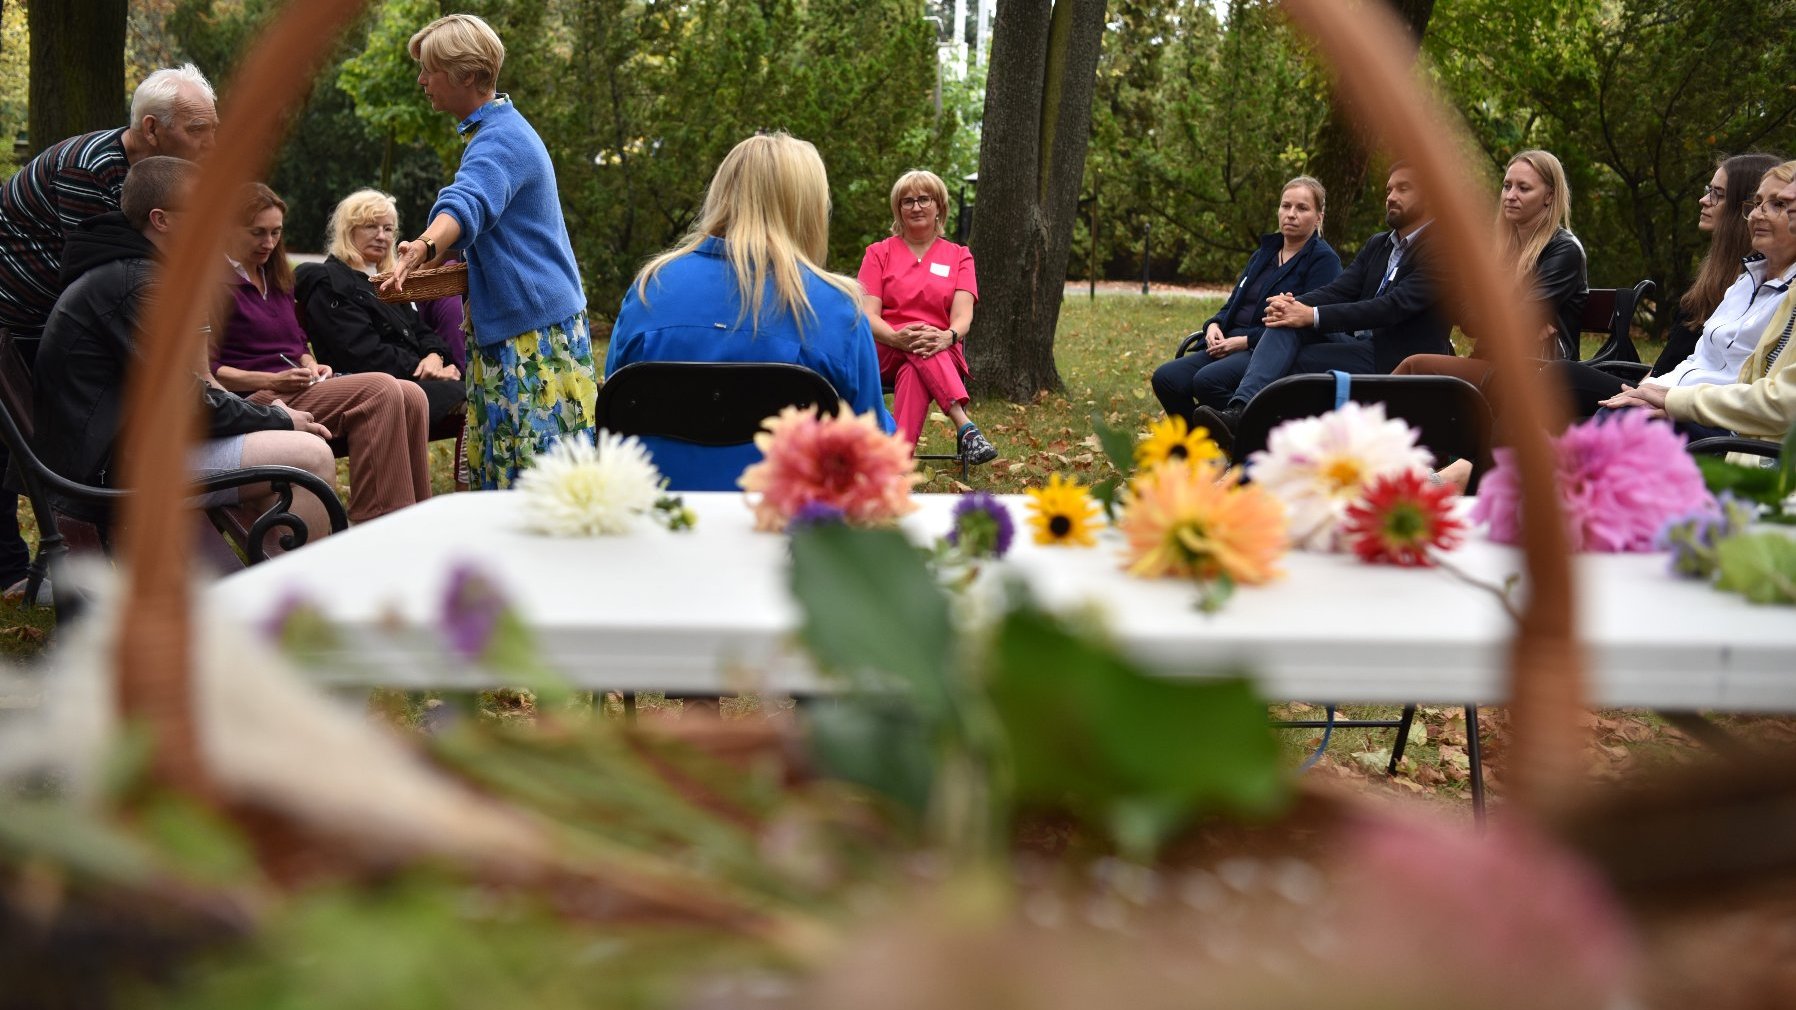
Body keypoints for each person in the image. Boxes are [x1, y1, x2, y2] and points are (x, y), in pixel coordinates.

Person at [30, 156, 337, 544]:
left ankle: (271, 583)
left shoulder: (132, 271)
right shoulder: (140, 285)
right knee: (312, 456)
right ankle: (288, 597)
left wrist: (265, 415)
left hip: (127, 447)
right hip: (114, 469)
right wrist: (275, 419)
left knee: (288, 453)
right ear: (162, 220)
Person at [0, 64, 218, 594]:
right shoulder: (92, 169)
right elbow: (113, 281)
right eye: (198, 131)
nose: (212, 144)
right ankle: (22, 572)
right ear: (150, 129)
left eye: (216, 128)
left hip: (51, 316)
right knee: (19, 448)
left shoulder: (161, 177)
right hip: (12, 319)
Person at [604, 132, 893, 490]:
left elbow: (612, 413)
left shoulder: (650, 290)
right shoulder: (837, 310)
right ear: (806, 208)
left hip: (662, 523)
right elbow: (872, 450)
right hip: (786, 532)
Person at [381, 13, 595, 490]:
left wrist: (423, 245)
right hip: (532, 325)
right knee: (526, 473)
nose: (421, 81)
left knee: (535, 483)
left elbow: (468, 202)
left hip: (533, 339)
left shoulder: (500, 139)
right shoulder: (498, 130)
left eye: (429, 70)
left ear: (469, 76)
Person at [211, 183, 432, 522]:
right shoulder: (213, 284)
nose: (269, 243)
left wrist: (311, 364)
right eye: (258, 233)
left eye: (276, 233)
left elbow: (296, 342)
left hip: (298, 388)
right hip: (252, 400)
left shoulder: (275, 276)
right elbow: (210, 372)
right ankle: (378, 522)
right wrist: (274, 379)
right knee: (381, 389)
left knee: (412, 394)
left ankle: (415, 519)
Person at [1193, 162, 1450, 452]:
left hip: (1399, 357)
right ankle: (1239, 414)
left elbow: (1391, 307)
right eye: (1389, 189)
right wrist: (1293, 304)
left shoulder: (1444, 249)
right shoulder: (1379, 244)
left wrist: (1311, 315)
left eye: (1403, 189)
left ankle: (1258, 439)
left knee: (1295, 365)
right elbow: (1341, 289)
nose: (1391, 196)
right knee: (1288, 323)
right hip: (1362, 346)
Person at [1553, 159, 1796, 422]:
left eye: (1780, 205)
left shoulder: (1783, 295)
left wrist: (1663, 397)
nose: (1759, 214)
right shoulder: (1743, 283)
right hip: (1671, 395)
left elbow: (1765, 396)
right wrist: (1646, 391)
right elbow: (1693, 360)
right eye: (1758, 203)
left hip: (1703, 415)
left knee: (1574, 392)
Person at [1150, 176, 1341, 425]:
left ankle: (1245, 442)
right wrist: (1214, 325)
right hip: (1229, 340)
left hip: (1267, 350)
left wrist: (1245, 341)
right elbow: (1233, 304)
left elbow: (1308, 325)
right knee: (1166, 378)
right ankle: (1203, 449)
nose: (1291, 214)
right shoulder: (1265, 253)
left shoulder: (1323, 260)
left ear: (1319, 217)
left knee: (1208, 380)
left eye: (1302, 208)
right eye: (1286, 206)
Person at [1394, 149, 1587, 387]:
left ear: (1549, 196)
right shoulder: (1500, 251)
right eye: (1507, 186)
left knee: (1415, 367)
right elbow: (1464, 315)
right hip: (1492, 363)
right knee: (1417, 372)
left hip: (1535, 372)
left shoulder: (1563, 250)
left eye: (1523, 188)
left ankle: (1364, 423)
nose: (1511, 195)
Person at [856, 170, 996, 464]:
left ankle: (896, 462)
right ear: (898, 209)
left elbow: (963, 317)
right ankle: (965, 427)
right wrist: (897, 337)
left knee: (916, 367)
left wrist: (947, 336)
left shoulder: (960, 256)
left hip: (941, 347)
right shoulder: (878, 253)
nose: (916, 207)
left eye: (924, 199)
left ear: (939, 207)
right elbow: (868, 315)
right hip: (887, 348)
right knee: (917, 338)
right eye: (908, 201)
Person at [296, 189, 466, 428]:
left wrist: (434, 357)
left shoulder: (384, 281)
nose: (381, 236)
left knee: (472, 392)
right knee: (469, 396)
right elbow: (359, 352)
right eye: (370, 226)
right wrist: (421, 369)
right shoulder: (330, 280)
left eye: (388, 229)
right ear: (348, 229)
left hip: (403, 380)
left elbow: (422, 331)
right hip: (365, 388)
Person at [1648, 152, 1784, 377]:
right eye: (1708, 190)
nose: (1704, 200)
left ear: (1742, 205)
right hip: (1665, 390)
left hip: (1681, 400)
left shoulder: (1759, 286)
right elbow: (1677, 365)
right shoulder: (1732, 280)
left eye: (1717, 194)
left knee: (1569, 375)